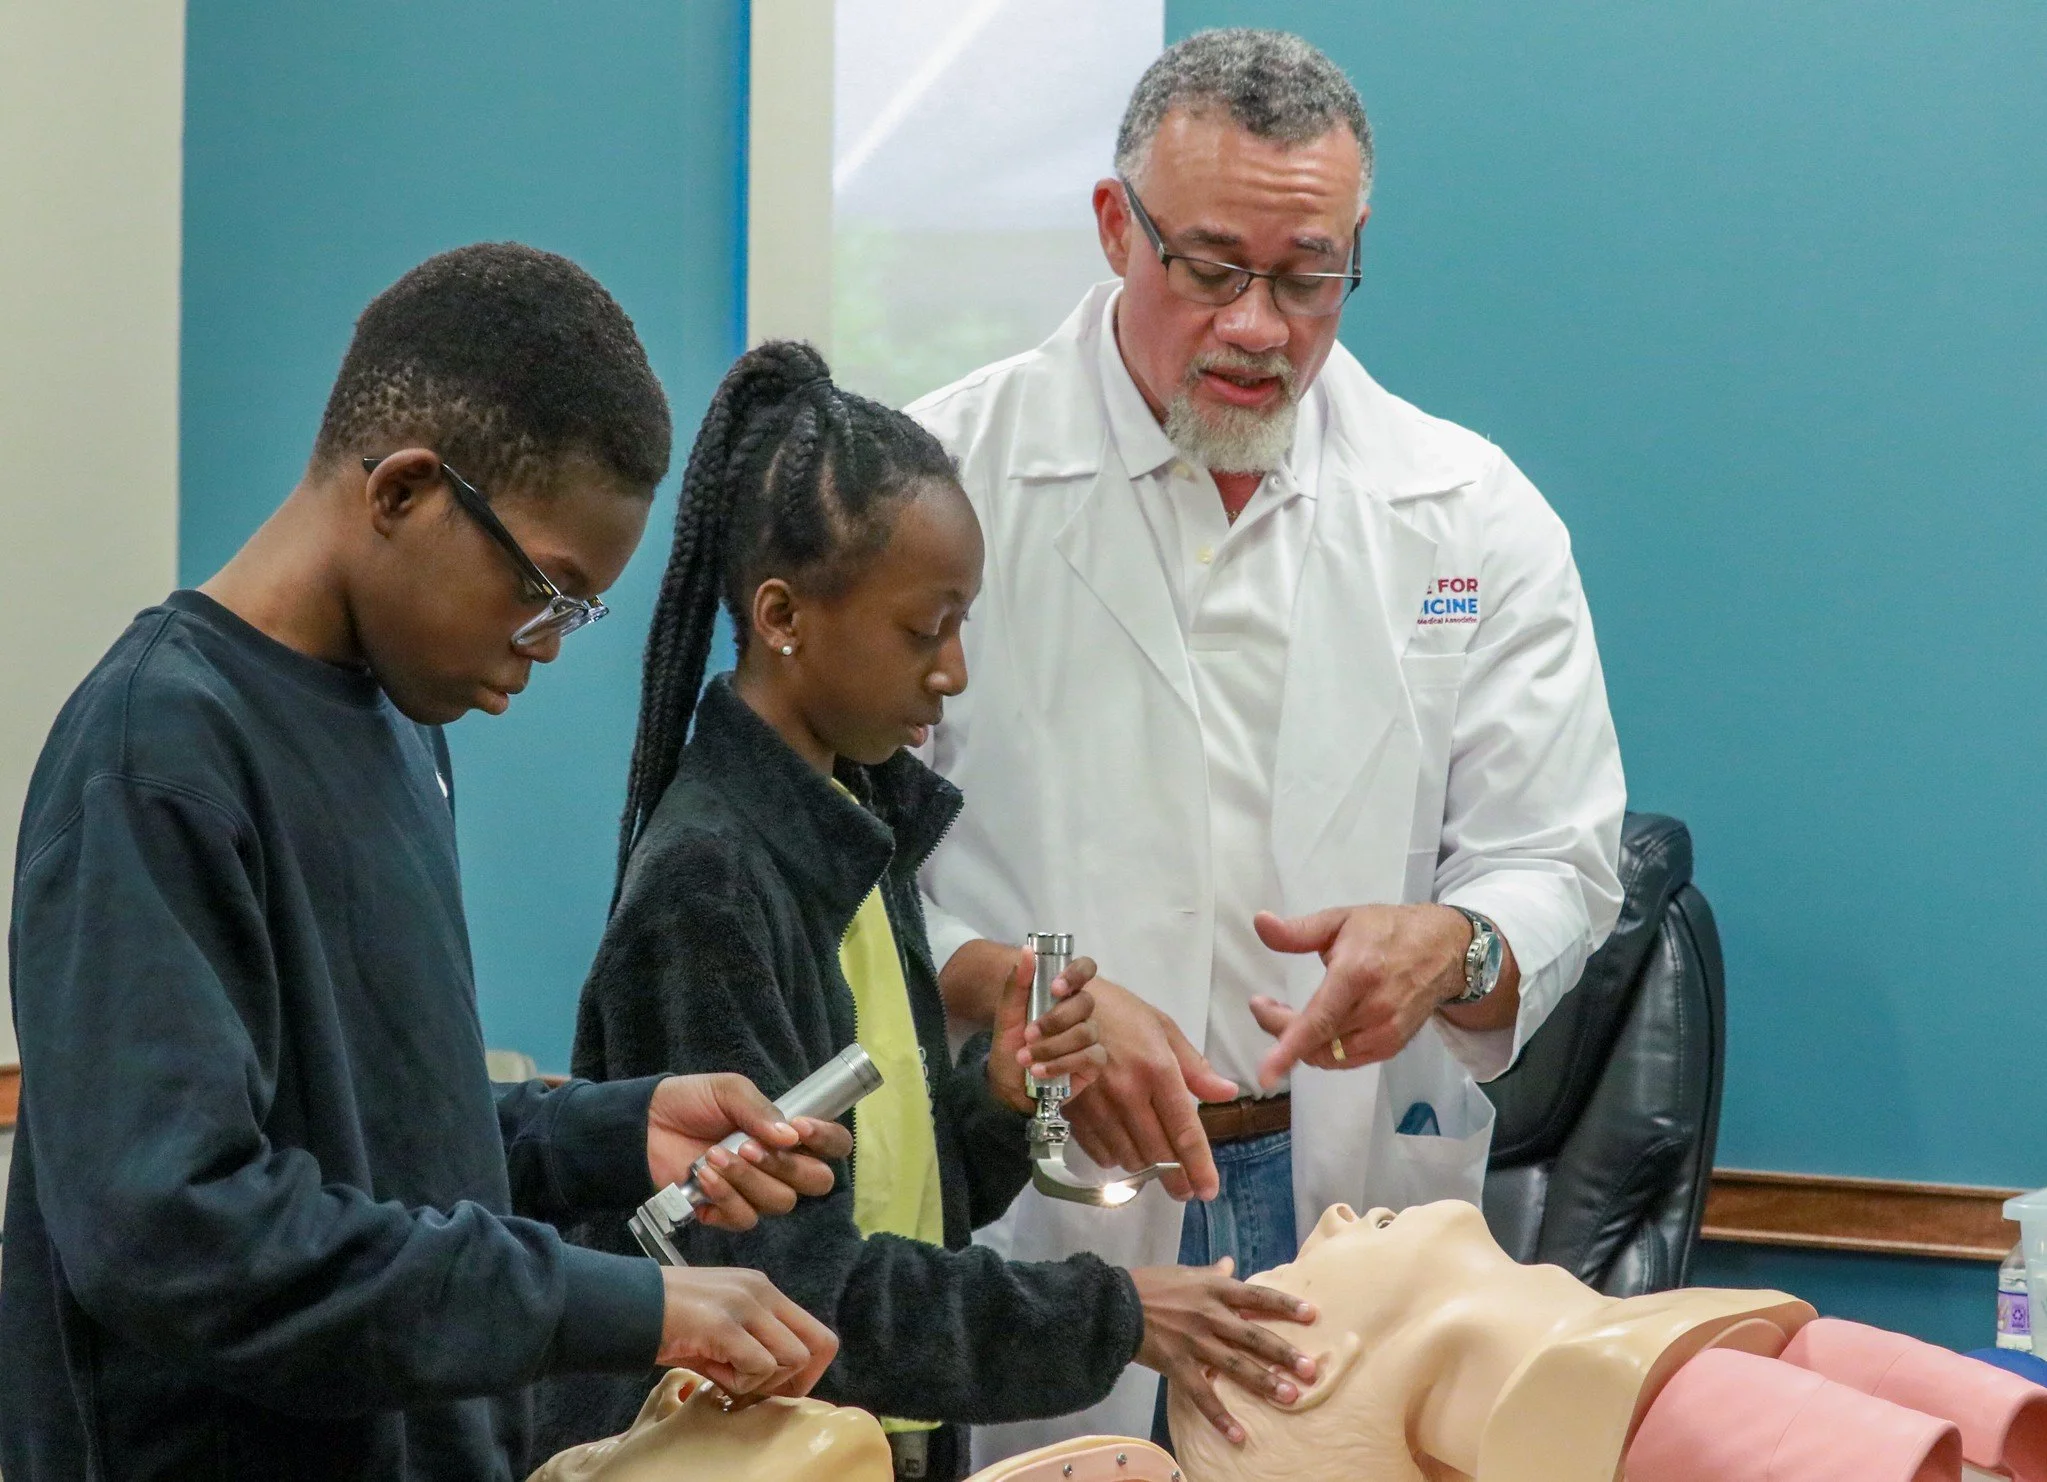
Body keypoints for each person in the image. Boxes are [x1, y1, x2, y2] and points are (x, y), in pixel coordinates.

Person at [0, 244, 849, 1482]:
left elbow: (374, 1147)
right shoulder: (155, 754)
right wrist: (624, 1306)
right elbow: (180, 1236)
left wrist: (608, 1134)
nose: (549, 648)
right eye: (545, 593)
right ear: (403, 489)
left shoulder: (404, 733)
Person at [906, 29, 1627, 1454]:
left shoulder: (1466, 511)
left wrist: (1456, 944)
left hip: (1340, 1199)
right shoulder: (940, 483)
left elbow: (1557, 856)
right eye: (1209, 268)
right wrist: (1019, 992)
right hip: (1038, 1204)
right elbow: (833, 877)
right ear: (1115, 229)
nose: (1258, 326)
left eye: (1308, 278)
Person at [549, 342, 1320, 1482]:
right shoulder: (709, 887)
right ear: (781, 614)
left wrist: (998, 1102)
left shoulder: (857, 832)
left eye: (965, 627)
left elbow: (906, 1211)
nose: (955, 672)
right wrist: (1117, 1314)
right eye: (927, 629)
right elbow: (795, 1305)